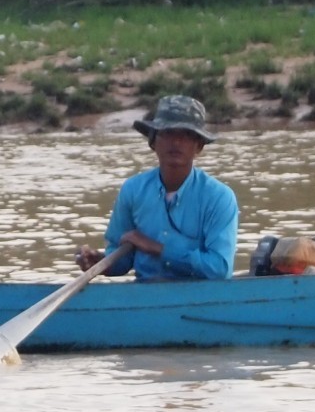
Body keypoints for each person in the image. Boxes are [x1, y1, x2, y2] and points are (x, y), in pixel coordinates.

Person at [76, 95, 238, 280]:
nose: (176, 142)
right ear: (153, 142)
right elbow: (123, 260)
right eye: (167, 133)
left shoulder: (219, 197)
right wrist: (101, 263)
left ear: (198, 146)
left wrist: (157, 248)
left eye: (185, 135)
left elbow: (220, 269)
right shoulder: (133, 190)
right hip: (145, 295)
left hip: (200, 298)